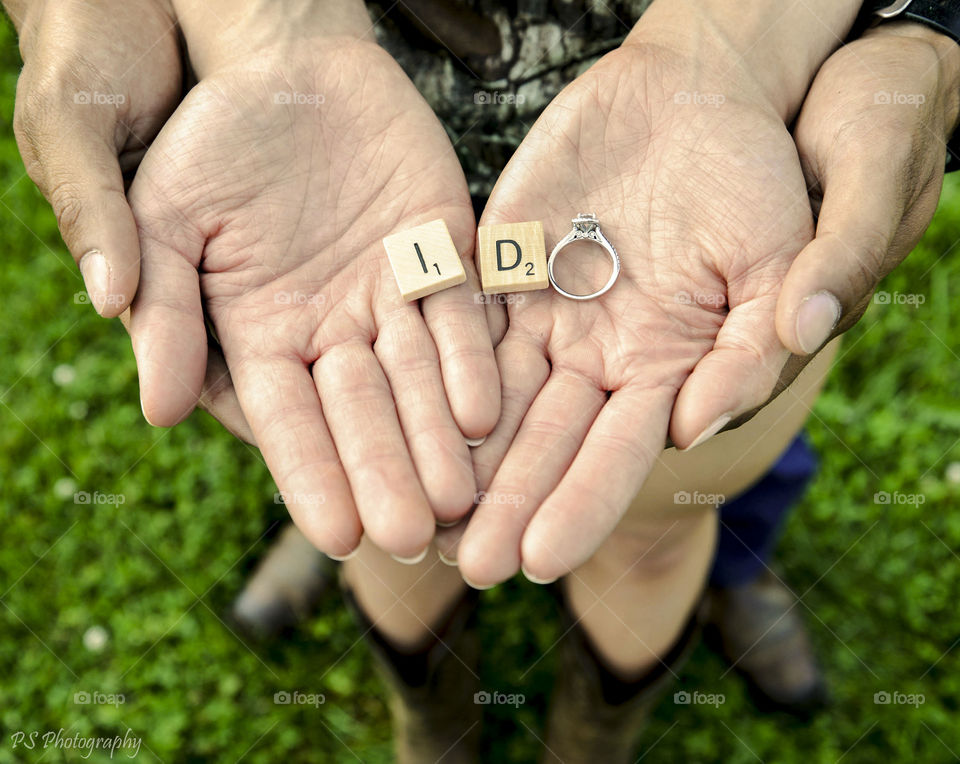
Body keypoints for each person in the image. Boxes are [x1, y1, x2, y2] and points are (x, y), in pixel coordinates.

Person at [6, 0, 959, 760]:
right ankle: (430, 718)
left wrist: (899, 31)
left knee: (667, 510)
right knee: (383, 484)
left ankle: (612, 716)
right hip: (322, 188)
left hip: (701, 189)